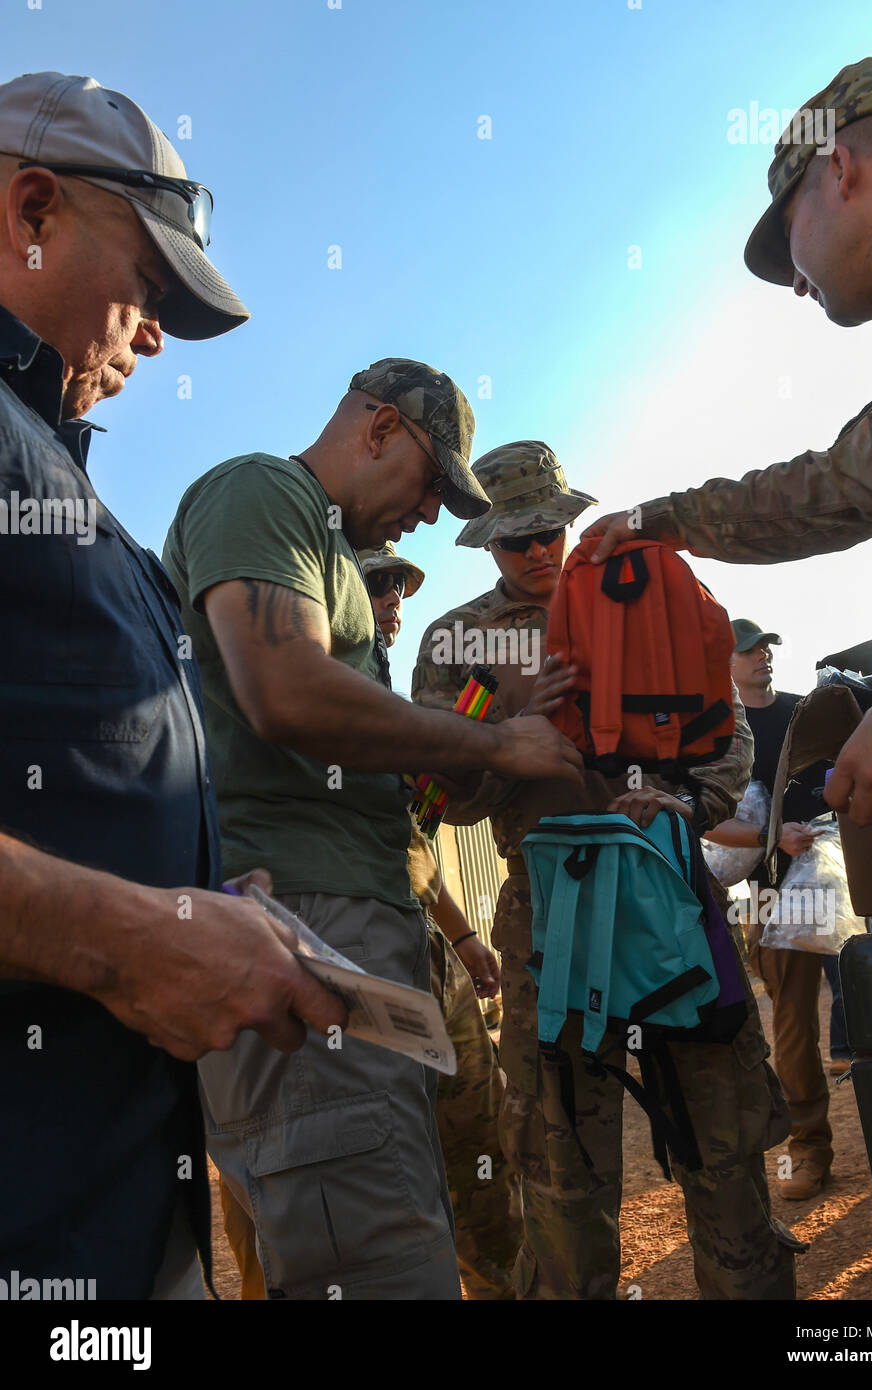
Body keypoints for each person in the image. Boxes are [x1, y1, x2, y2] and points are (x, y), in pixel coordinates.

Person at [0, 71, 347, 1302]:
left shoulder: (62, 478)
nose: (153, 336)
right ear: (31, 208)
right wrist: (130, 938)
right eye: (148, 289)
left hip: (114, 1206)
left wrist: (188, 890)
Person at [163, 362, 582, 1301]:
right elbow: (286, 689)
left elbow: (385, 778)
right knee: (372, 1252)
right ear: (380, 428)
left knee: (405, 1212)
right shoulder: (260, 489)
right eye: (432, 484)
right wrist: (498, 740)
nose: (432, 514)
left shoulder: (321, 546)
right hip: (306, 921)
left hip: (358, 921)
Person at [413, 441, 804, 1300]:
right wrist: (503, 736)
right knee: (561, 1169)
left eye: (552, 529)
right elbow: (442, 799)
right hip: (548, 926)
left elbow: (728, 728)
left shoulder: (645, 589)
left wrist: (689, 803)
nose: (541, 551)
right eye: (518, 541)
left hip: (666, 900)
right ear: (487, 543)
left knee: (723, 1140)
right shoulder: (459, 640)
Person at [586, 56, 872, 887]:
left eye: (788, 232)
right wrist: (660, 519)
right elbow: (815, 491)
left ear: (841, 169)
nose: (796, 282)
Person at [360, 539, 520, 1299]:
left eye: (399, 586)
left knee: (478, 1137)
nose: (394, 599)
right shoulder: (302, 690)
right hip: (347, 951)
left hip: (425, 946)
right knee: (374, 1169)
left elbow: (412, 838)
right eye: (377, 583)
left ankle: (494, 1280)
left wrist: (459, 935)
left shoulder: (395, 699)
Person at [704, 620, 845, 1201]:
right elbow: (705, 819)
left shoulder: (806, 711)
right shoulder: (720, 735)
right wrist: (770, 840)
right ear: (724, 663)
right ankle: (809, 1146)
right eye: (748, 651)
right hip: (770, 893)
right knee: (791, 1025)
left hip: (841, 882)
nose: (762, 657)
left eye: (767, 649)